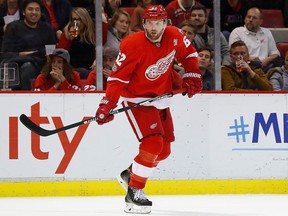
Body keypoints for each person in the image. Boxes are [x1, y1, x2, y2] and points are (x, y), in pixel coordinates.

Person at [95, 5, 202, 214]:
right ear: (143, 24)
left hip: (160, 97)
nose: (154, 28)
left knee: (164, 150)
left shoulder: (175, 36)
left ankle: (130, 175)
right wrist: (108, 103)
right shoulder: (132, 44)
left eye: (158, 23)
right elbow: (117, 78)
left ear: (166, 23)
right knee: (153, 143)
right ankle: (134, 193)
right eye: (150, 23)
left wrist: (192, 73)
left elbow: (190, 53)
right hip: (136, 99)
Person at [1, 0, 56, 90]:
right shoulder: (13, 27)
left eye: (37, 10)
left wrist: (25, 54)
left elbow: (50, 52)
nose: (34, 12)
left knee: (29, 67)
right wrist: (22, 55)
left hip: (40, 64)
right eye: (30, 9)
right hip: (17, 64)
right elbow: (5, 54)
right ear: (23, 12)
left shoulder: (47, 28)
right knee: (25, 67)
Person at [229, 7, 281, 72]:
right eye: (249, 17)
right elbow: (234, 55)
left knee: (277, 71)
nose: (250, 20)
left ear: (261, 21)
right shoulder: (237, 32)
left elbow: (276, 53)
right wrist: (250, 58)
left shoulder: (266, 32)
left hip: (265, 68)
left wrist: (267, 59)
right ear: (245, 19)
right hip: (245, 67)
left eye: (254, 18)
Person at [57, 7, 96, 79]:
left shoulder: (91, 33)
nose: (77, 22)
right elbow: (60, 54)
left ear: (85, 19)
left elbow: (102, 45)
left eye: (79, 19)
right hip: (72, 68)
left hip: (90, 67)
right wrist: (69, 39)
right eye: (74, 19)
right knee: (83, 72)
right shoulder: (66, 33)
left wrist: (96, 60)